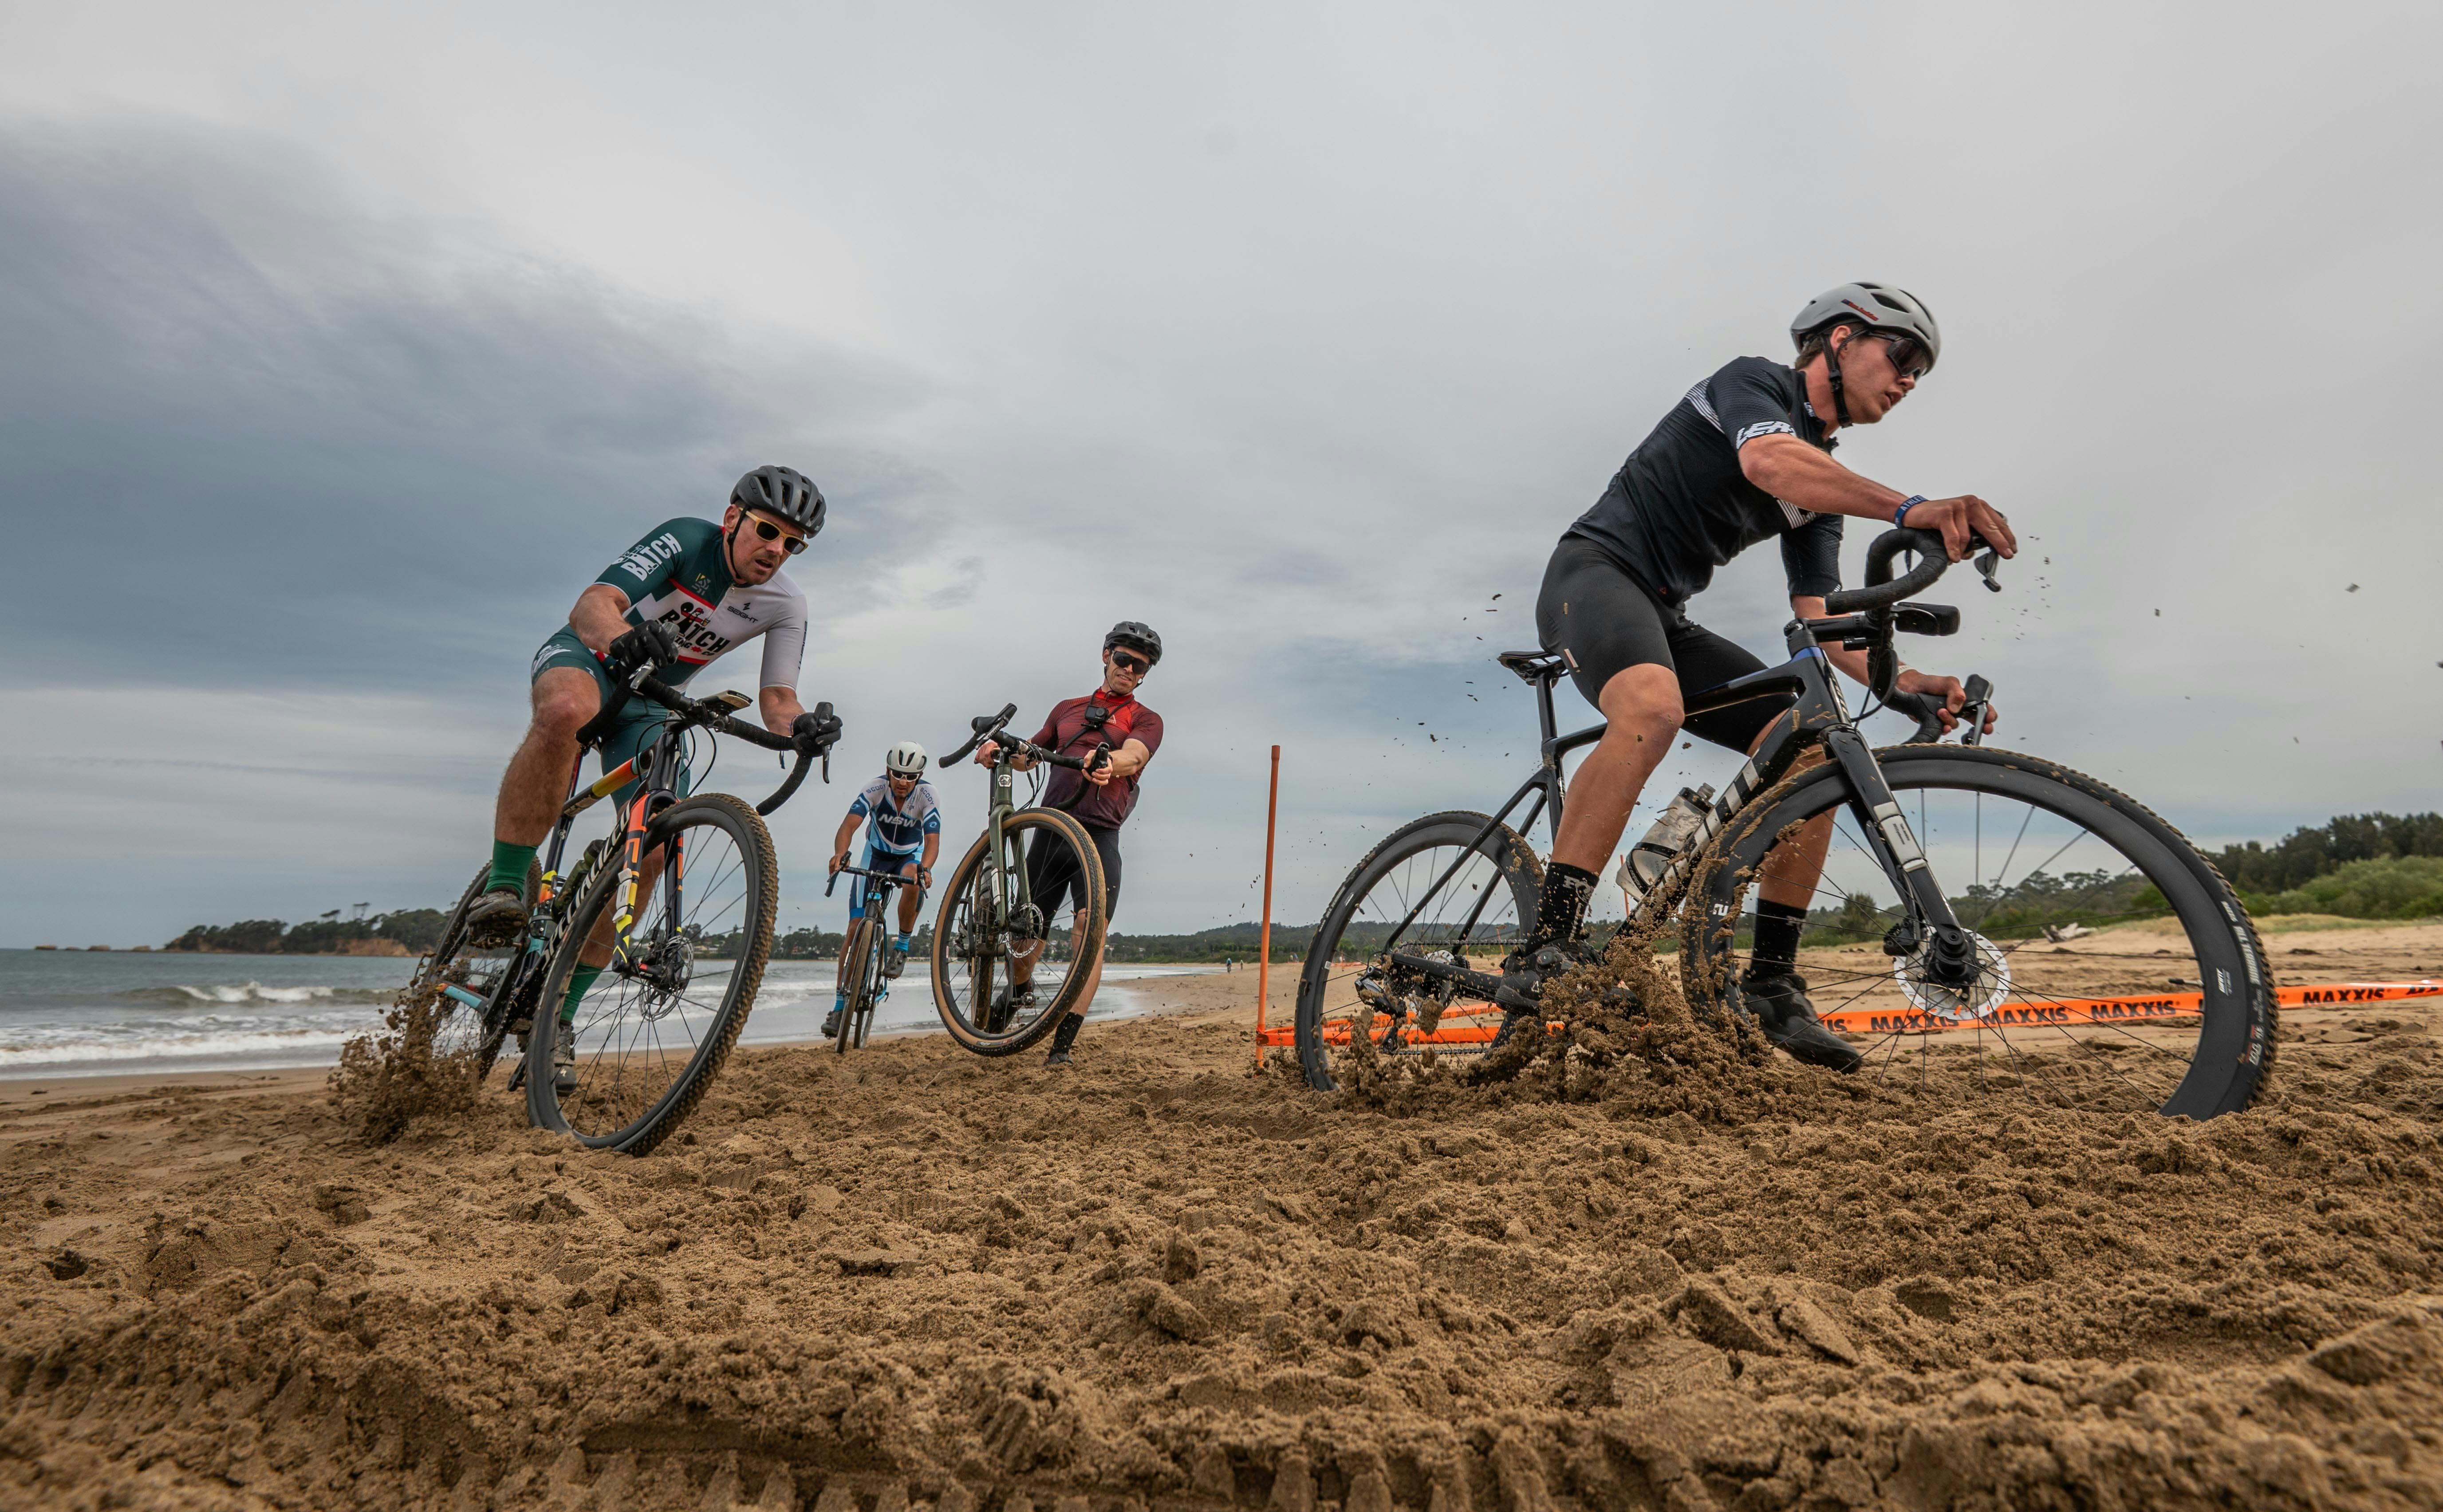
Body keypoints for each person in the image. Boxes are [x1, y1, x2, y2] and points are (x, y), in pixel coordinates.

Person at [1522, 284, 2016, 1071]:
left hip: (1665, 612)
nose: (1909, 379)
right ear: (1841, 339)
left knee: (1808, 751)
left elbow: (1820, 623)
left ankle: (1772, 984)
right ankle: (1548, 942)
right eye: (1902, 355)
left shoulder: (1821, 492)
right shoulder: (1753, 384)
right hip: (1595, 574)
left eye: (1921, 372)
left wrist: (1905, 682)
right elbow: (1766, 460)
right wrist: (1913, 508)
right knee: (1651, 708)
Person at [473, 465, 844, 1089]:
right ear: (732, 519)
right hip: (591, 657)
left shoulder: (786, 604)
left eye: (792, 544)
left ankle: (556, 1016)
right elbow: (593, 605)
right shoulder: (687, 539)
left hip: (651, 703)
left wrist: (803, 727)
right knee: (565, 712)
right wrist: (626, 636)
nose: (776, 550)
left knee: (656, 840)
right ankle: (506, 887)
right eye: (766, 531)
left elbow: (778, 698)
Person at [973, 621, 1166, 1065]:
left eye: (1140, 667)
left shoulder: (1145, 719)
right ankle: (1019, 990)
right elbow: (1029, 754)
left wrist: (1108, 763)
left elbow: (1135, 755)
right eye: (1124, 660)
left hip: (1100, 836)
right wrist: (997, 751)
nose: (1129, 670)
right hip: (1052, 829)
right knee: (1025, 941)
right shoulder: (1068, 709)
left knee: (1089, 929)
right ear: (1106, 657)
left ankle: (1062, 1045)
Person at [824, 741, 941, 1037]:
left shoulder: (927, 795)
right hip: (874, 855)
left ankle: (902, 947)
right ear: (888, 771)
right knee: (854, 929)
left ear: (919, 776)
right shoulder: (875, 789)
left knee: (914, 877)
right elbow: (848, 826)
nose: (903, 782)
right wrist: (840, 854)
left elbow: (932, 841)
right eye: (898, 774)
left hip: (908, 858)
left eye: (910, 777)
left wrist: (926, 869)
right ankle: (839, 1007)